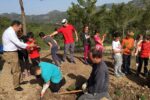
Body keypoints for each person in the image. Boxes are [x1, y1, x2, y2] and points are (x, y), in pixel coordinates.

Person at [1, 20, 34, 91]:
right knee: (16, 70)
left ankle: (18, 82)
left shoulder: (11, 31)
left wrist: (23, 47)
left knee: (18, 68)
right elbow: (17, 43)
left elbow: (16, 43)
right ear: (15, 25)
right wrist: (28, 45)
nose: (19, 29)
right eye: (19, 28)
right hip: (11, 53)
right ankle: (16, 86)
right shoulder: (10, 32)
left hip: (12, 52)